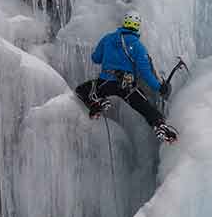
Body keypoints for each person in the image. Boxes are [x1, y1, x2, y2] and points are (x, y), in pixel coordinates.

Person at [75, 11, 178, 143]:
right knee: (145, 107)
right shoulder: (138, 46)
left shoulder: (107, 39)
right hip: (126, 86)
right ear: (137, 26)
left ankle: (97, 103)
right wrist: (159, 87)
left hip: (105, 83)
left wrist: (109, 54)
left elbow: (95, 58)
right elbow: (145, 72)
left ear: (124, 23)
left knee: (81, 90)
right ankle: (160, 125)